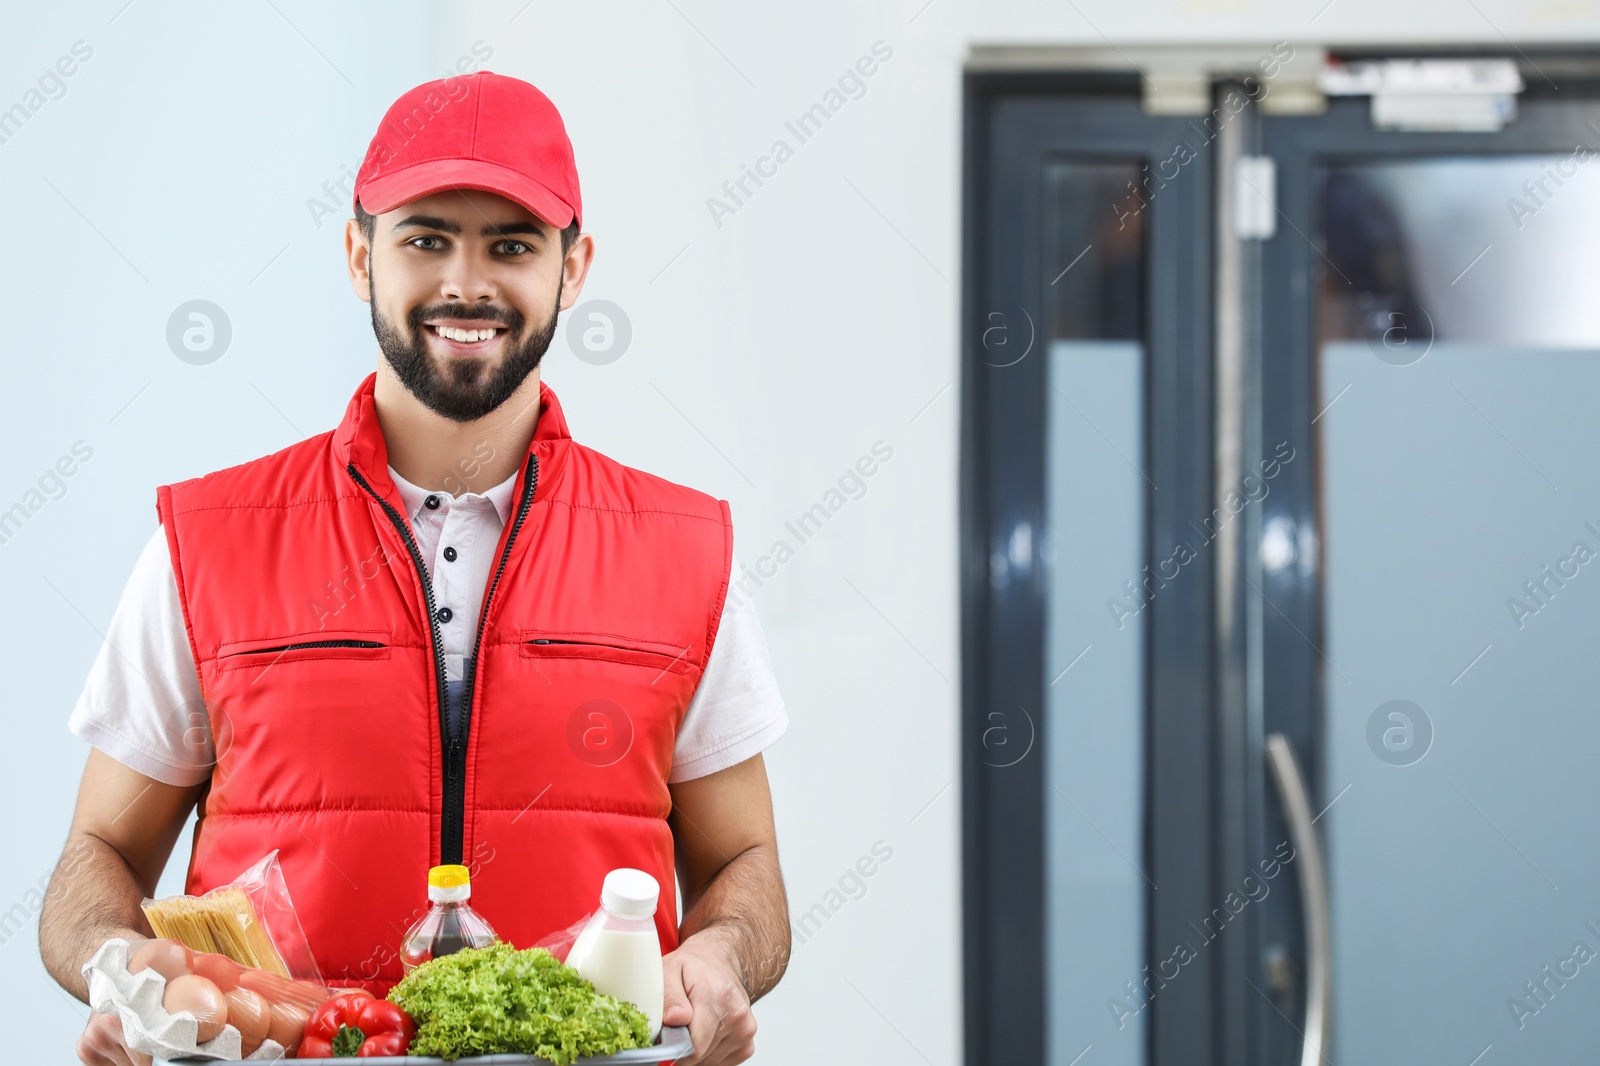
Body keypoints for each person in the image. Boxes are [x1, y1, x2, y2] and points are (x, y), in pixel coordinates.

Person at [40, 71, 789, 1066]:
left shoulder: (685, 548)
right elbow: (95, 856)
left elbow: (745, 860)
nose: (466, 283)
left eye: (511, 245)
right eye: (426, 238)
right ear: (360, 255)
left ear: (574, 269)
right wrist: (118, 967)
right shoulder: (208, 540)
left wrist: (721, 951)